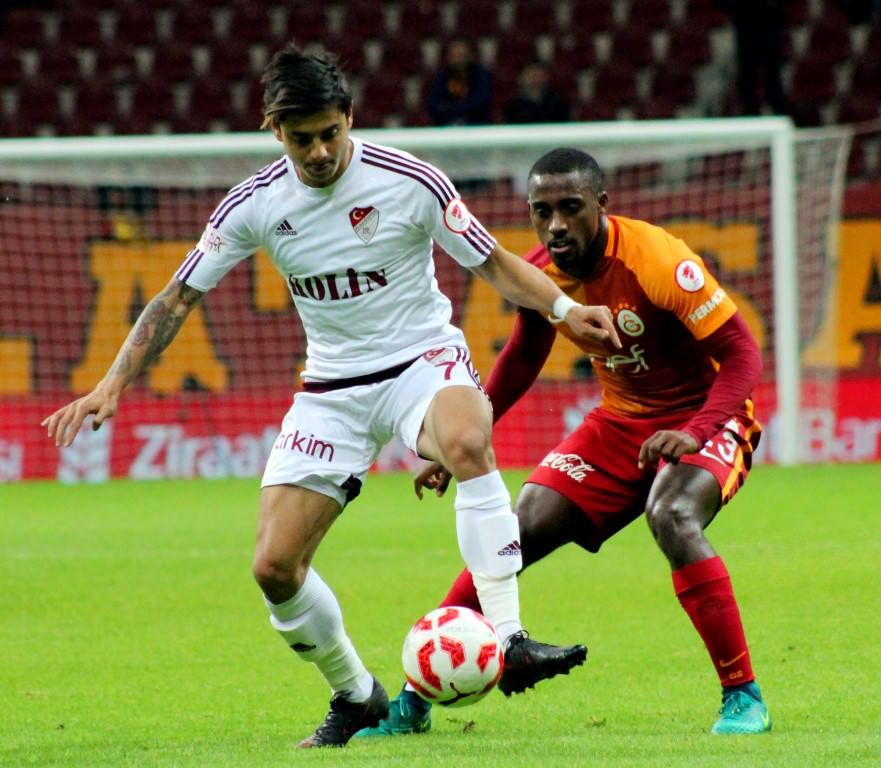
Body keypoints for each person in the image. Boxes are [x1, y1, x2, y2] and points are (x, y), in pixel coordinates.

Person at [41, 48, 622, 748]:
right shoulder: (254, 204)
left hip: (420, 361)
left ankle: (509, 636)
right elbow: (177, 297)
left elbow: (493, 262)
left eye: (329, 133)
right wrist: (111, 384)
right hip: (331, 389)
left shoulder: (410, 181)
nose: (318, 152)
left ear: (349, 117)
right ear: (273, 130)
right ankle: (356, 695)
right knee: (274, 568)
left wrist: (565, 310)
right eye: (301, 138)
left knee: (468, 439)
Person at [357, 147, 772, 738]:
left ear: (601, 204)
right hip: (620, 421)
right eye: (542, 211)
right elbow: (524, 355)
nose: (555, 225)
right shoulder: (540, 273)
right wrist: (460, 442)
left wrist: (695, 431)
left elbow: (743, 355)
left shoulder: (657, 260)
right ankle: (415, 698)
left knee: (673, 516)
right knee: (513, 529)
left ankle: (743, 695)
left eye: (571, 208)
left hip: (707, 416)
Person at [718, 0, 788, 116]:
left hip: (769, 23)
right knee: (747, 75)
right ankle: (750, 113)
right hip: (744, 25)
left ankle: (778, 112)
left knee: (772, 74)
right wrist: (736, 9)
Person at [426, 36, 494, 126]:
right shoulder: (441, 77)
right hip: (447, 127)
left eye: (461, 55)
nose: (458, 60)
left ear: (470, 56)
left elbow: (481, 103)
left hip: (477, 127)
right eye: (454, 56)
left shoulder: (482, 75)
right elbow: (434, 107)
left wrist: (449, 108)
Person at [503, 60, 571, 125]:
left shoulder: (558, 102)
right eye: (531, 75)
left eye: (538, 75)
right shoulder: (512, 105)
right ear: (521, 78)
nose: (535, 79)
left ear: (545, 77)